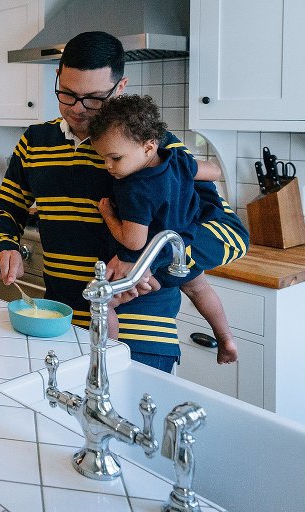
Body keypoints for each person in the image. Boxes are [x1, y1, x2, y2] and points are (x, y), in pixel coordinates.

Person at [0, 31, 248, 373]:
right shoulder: (35, 142)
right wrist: (5, 244)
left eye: (94, 99)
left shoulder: (153, 150)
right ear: (57, 78)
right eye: (67, 95)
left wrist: (147, 262)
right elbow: (7, 206)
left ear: (120, 87)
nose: (78, 110)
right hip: (59, 324)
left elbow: (233, 234)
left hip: (141, 335)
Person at [88, 94, 245, 364]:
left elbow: (134, 242)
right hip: (184, 250)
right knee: (200, 289)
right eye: (103, 158)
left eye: (115, 158)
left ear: (148, 147)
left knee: (105, 303)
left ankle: (108, 354)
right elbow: (214, 171)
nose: (108, 166)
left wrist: (108, 215)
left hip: (154, 259)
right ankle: (226, 338)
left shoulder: (136, 188)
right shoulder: (177, 159)